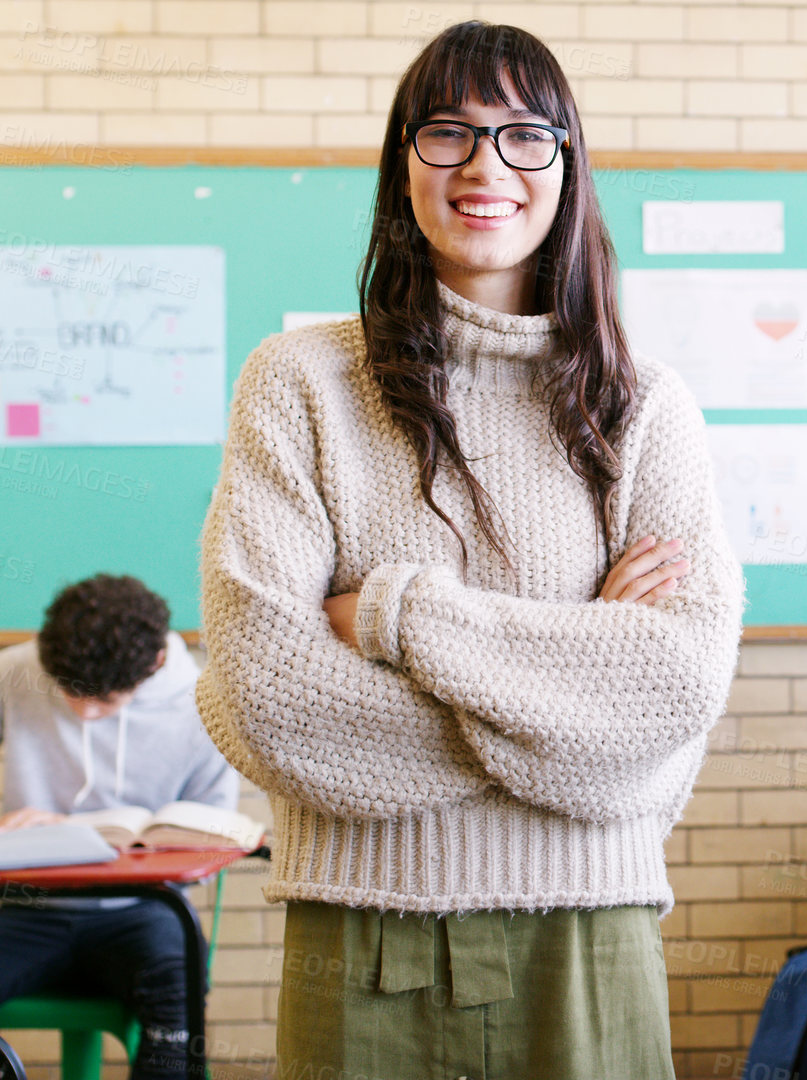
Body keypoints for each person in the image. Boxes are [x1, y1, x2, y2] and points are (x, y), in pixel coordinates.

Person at [194, 22, 743, 1078]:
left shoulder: (643, 408)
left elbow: (671, 689)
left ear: (568, 166)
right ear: (403, 161)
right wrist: (576, 706)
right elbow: (266, 691)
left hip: (591, 933)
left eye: (526, 136)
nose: (486, 166)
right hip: (361, 933)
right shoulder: (300, 384)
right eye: (449, 132)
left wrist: (397, 618)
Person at [0, 574, 241, 1080]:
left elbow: (213, 837)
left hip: (145, 908)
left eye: (105, 701)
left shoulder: (205, 701)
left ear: (153, 666)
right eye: (70, 694)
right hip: (23, 904)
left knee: (179, 988)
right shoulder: (15, 673)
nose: (85, 714)